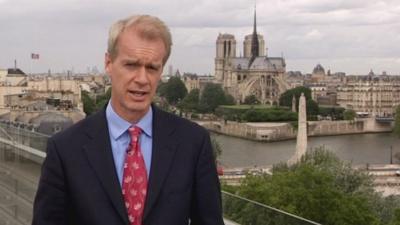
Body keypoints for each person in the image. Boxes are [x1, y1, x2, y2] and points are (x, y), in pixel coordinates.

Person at [32, 14, 224, 225]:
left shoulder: (194, 142)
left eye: (152, 68)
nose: (142, 79)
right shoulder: (65, 149)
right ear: (108, 63)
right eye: (131, 65)